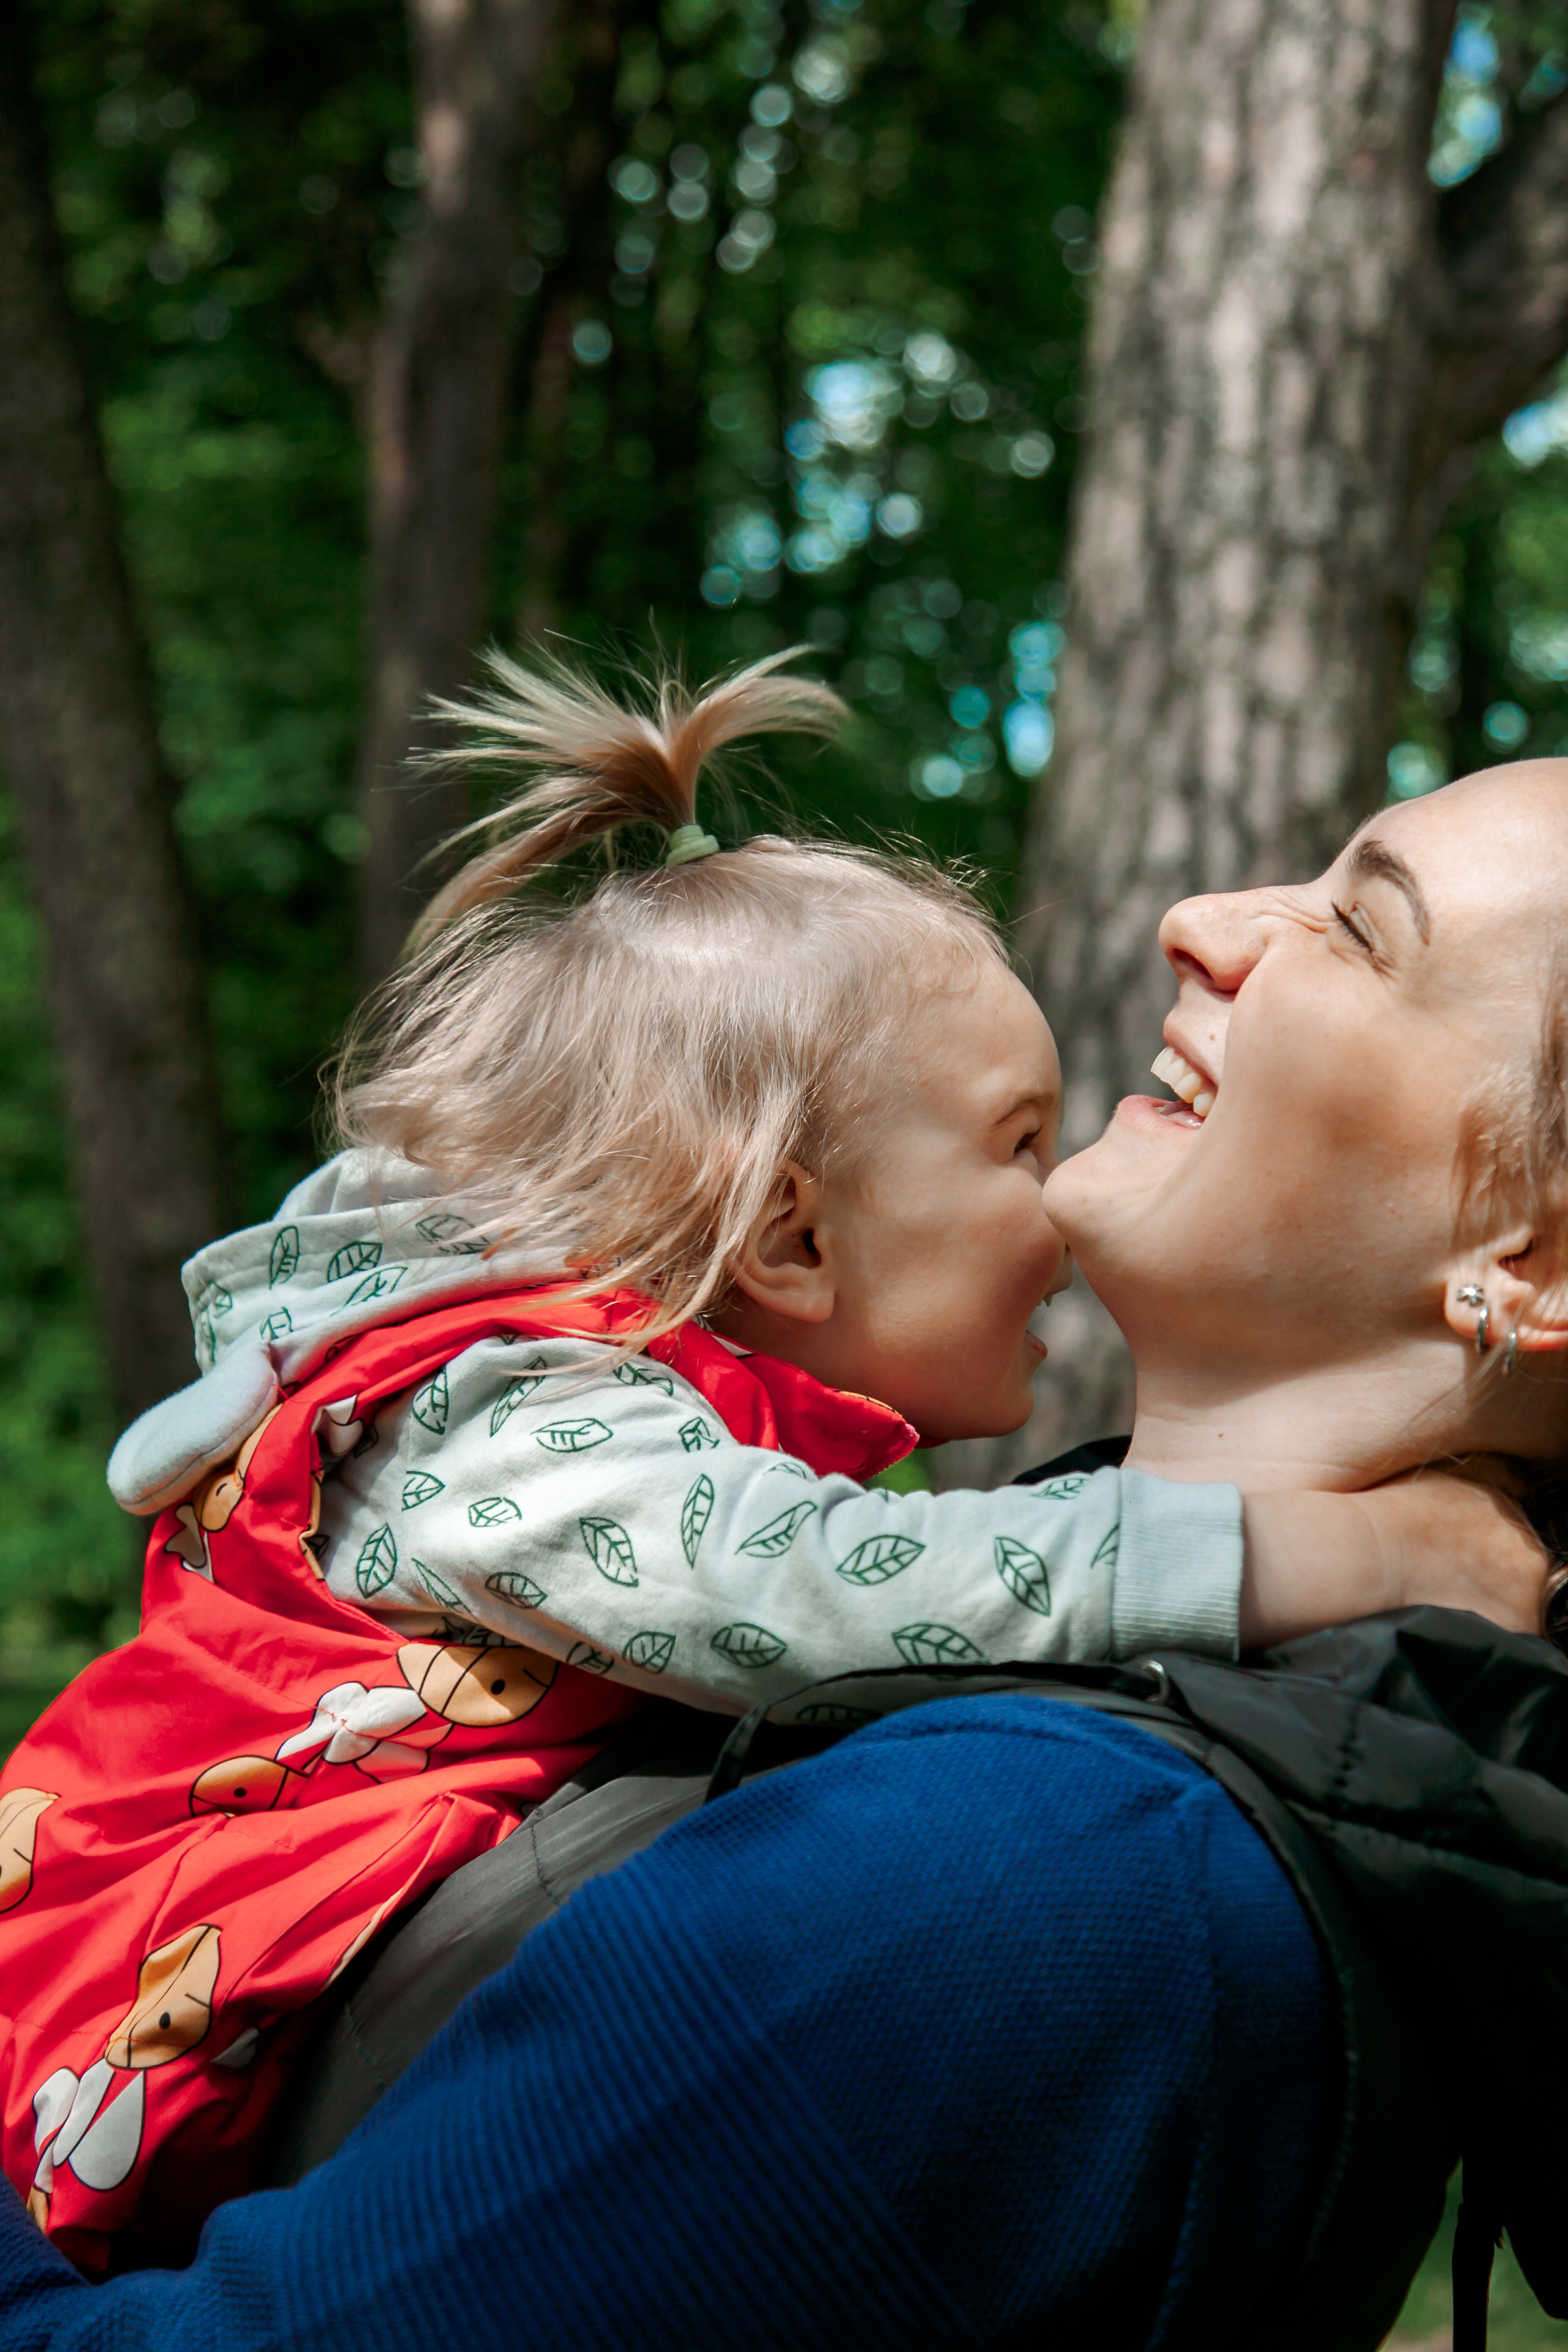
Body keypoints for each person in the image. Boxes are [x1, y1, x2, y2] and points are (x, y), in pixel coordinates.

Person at [0, 671, 1550, 2288]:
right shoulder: (526, 1427)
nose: (1197, 916)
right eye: (1012, 1144)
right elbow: (836, 1580)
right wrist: (1335, 1558)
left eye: (1362, 930)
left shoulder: (1037, 1866)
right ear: (797, 1239)